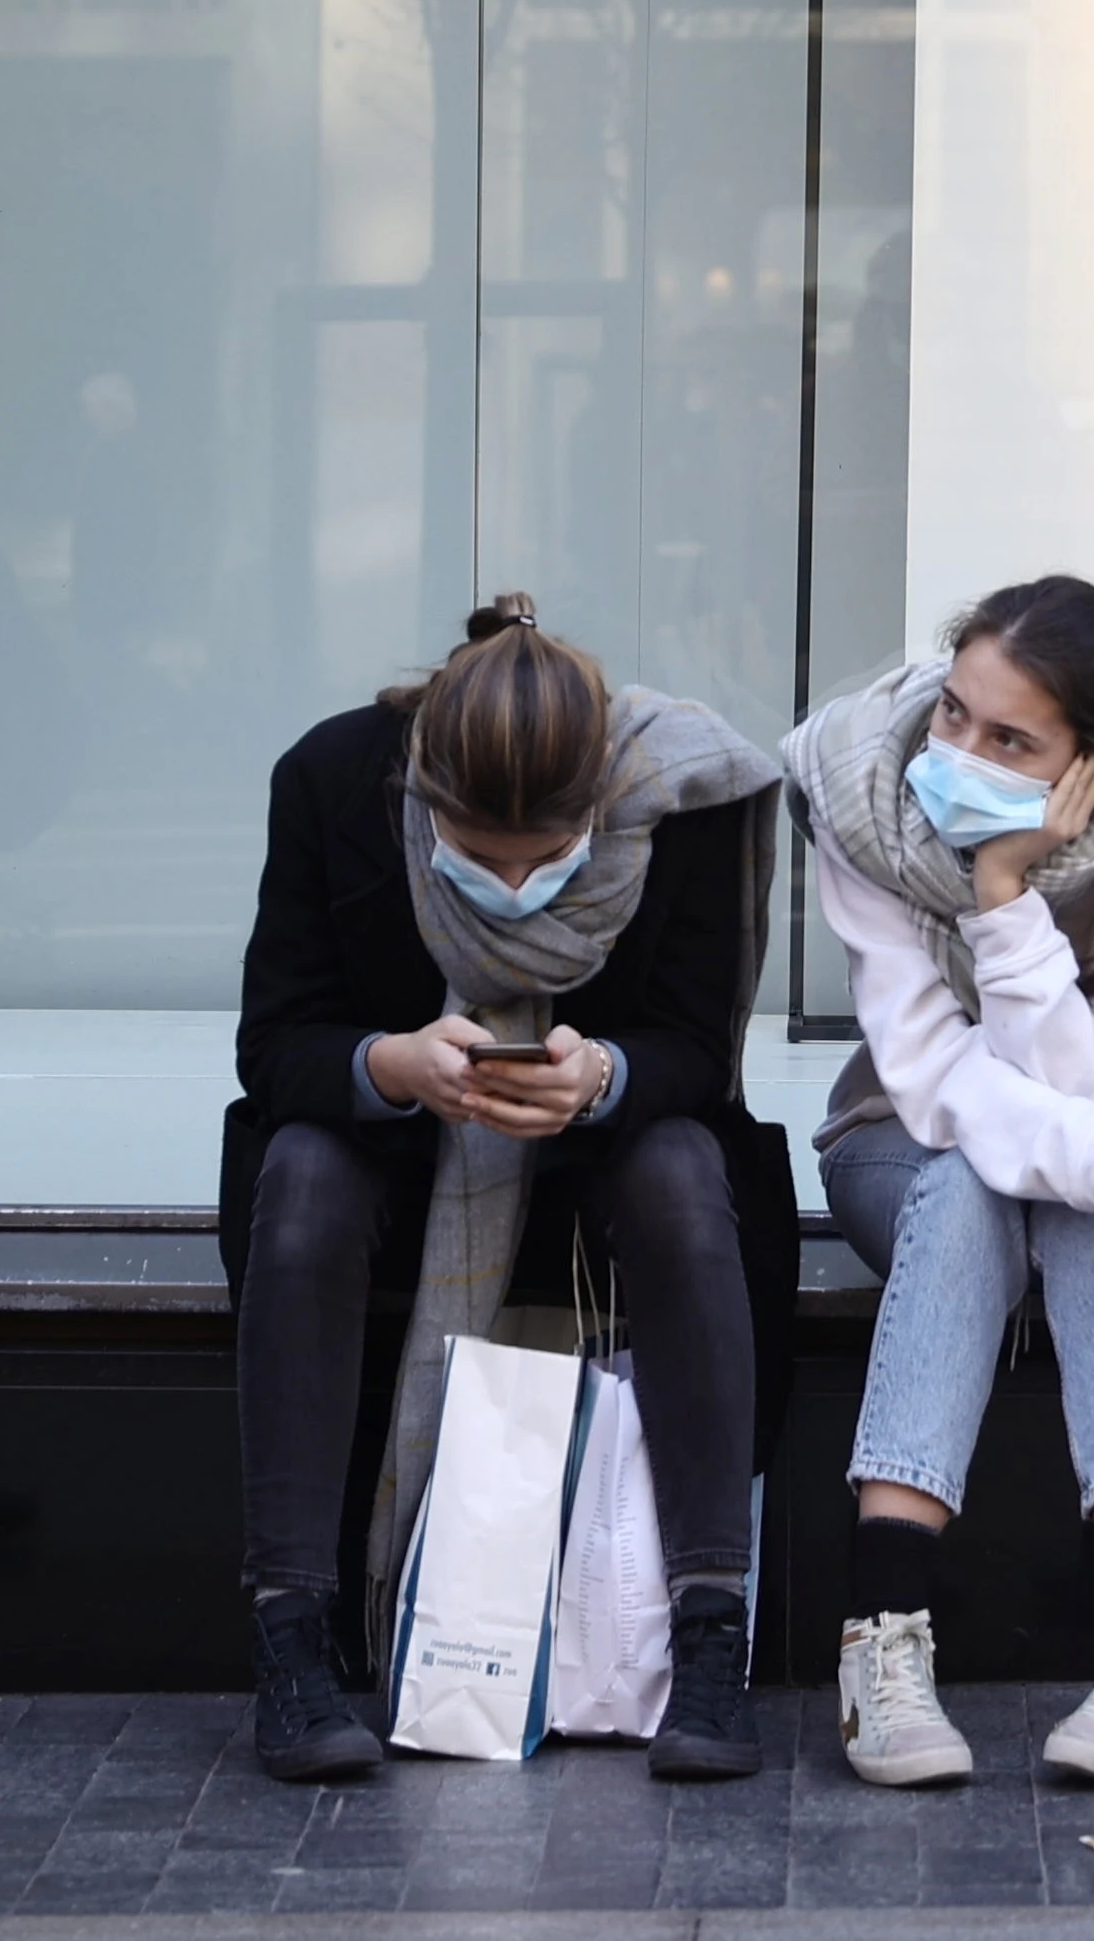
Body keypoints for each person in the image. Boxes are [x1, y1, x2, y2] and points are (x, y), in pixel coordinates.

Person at [221, 597, 788, 1786]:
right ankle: (291, 1631)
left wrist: (600, 1075)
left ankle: (708, 1633)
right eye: (479, 859)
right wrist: (390, 1064)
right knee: (303, 1172)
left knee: (684, 1173)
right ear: (426, 802)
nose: (517, 882)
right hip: (400, 1140)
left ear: (598, 804)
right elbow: (275, 1044)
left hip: (601, 1141)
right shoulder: (336, 780)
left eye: (549, 858)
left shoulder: (678, 798)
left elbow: (695, 1047)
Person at [793, 578, 1094, 1793]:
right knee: (982, 1181)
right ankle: (882, 1646)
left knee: (1079, 1194)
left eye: (1009, 739)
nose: (957, 752)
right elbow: (939, 1085)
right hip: (906, 1141)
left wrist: (1003, 898)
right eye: (953, 713)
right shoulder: (862, 802)